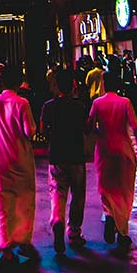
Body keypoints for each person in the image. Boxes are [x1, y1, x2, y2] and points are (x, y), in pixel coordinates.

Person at [0, 72, 39, 265]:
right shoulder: (22, 103)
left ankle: (6, 250)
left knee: (1, 206)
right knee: (24, 202)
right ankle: (23, 240)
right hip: (20, 160)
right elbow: (29, 131)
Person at [88, 71, 137, 249]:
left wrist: (100, 134)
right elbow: (136, 128)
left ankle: (109, 214)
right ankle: (123, 231)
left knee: (106, 188)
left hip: (104, 151)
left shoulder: (97, 103)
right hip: (124, 151)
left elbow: (89, 126)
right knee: (125, 190)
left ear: (104, 84)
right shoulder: (125, 103)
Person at [40, 69, 90, 253]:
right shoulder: (80, 106)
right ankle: (74, 231)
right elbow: (86, 128)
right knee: (77, 194)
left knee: (57, 192)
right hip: (76, 156)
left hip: (57, 156)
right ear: (73, 86)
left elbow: (43, 129)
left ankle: (57, 219)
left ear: (56, 86)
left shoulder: (48, 106)